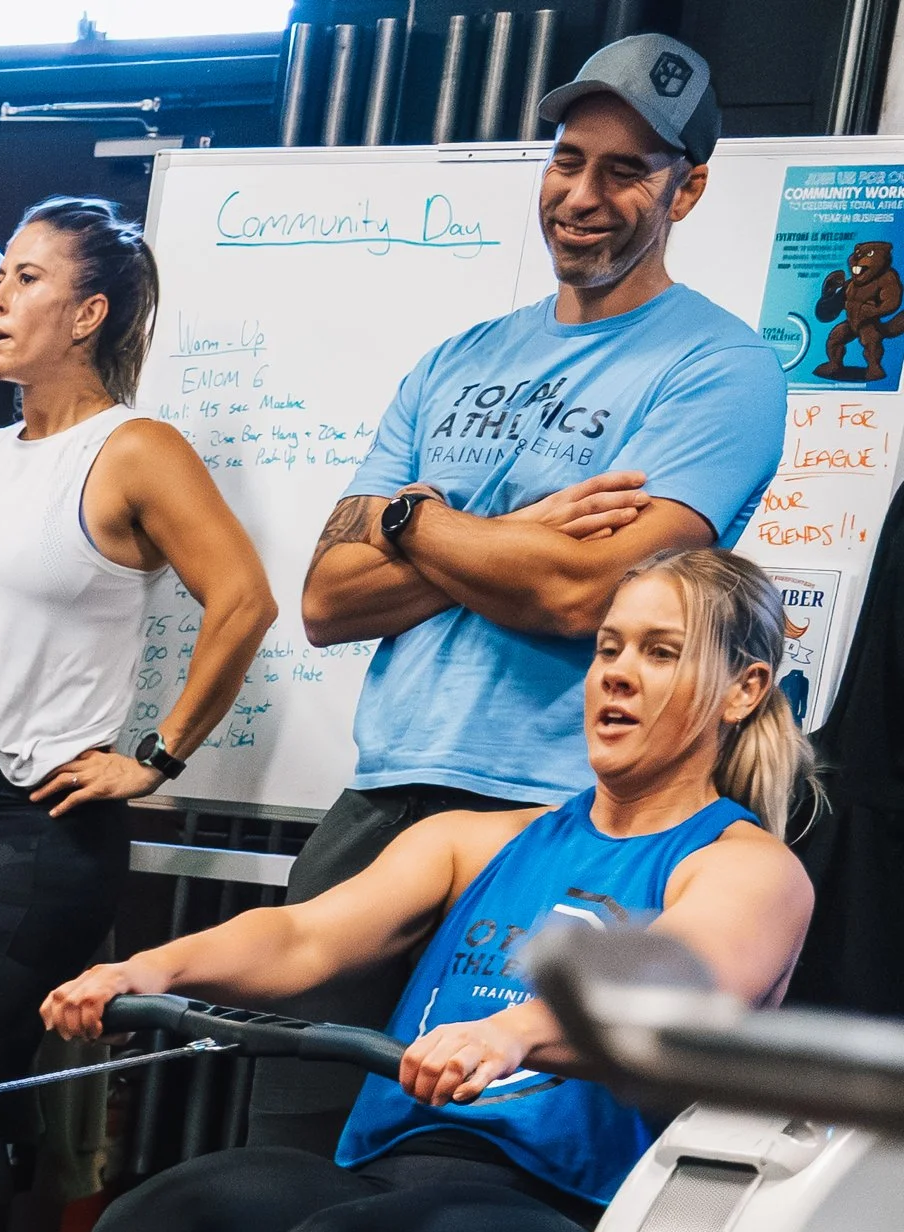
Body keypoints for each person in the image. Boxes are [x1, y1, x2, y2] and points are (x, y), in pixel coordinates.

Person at [5, 548, 815, 1232]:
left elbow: (669, 986)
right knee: (170, 1208)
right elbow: (306, 933)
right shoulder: (476, 839)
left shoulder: (745, 867)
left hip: (568, 1222)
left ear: (743, 690)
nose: (617, 673)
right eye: (608, 647)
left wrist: (510, 1032)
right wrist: (148, 969)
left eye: (660, 652)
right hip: (385, 1180)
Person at [274, 33, 789, 1152]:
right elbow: (324, 597)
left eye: (624, 171)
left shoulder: (718, 369)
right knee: (288, 1137)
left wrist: (411, 521)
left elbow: (580, 594)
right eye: (567, 161)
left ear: (684, 189)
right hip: (381, 800)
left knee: (470, 1161)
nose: (581, 196)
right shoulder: (452, 359)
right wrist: (497, 535)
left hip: (548, 825)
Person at [0, 196, 277, 1232]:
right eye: (0, 278)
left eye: (26, 279)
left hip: (34, 821)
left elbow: (242, 601)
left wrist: (155, 757)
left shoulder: (132, 450)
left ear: (87, 313)